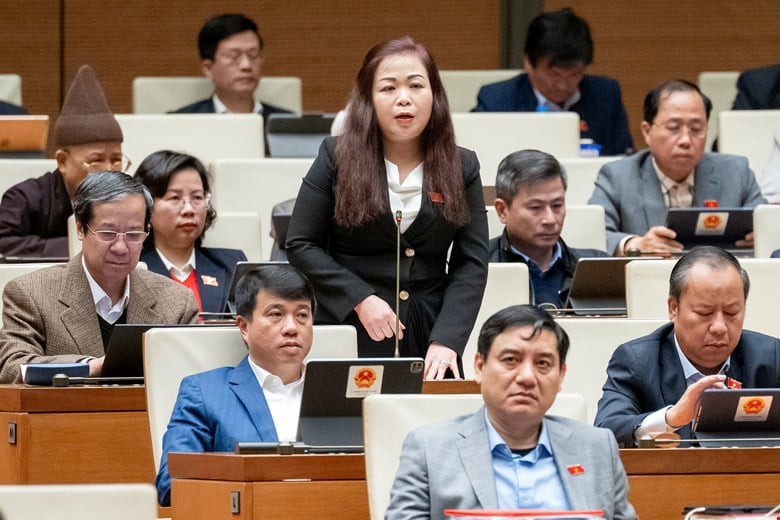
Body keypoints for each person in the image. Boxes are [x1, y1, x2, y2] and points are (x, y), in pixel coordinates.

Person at [285, 36, 489, 379]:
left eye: (416, 85)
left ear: (435, 96)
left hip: (431, 334)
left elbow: (472, 263)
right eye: (388, 88)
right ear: (368, 100)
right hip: (348, 325)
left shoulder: (462, 165)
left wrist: (448, 339)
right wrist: (360, 299)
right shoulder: (335, 156)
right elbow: (301, 243)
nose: (403, 98)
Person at [385, 304, 637, 519]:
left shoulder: (597, 447)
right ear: (480, 367)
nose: (527, 377)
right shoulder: (430, 450)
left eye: (543, 364)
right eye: (510, 360)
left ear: (560, 376)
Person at [0, 171, 199, 383]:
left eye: (133, 235)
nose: (121, 247)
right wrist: (90, 367)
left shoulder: (178, 302)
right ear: (80, 228)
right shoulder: (30, 293)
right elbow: (12, 368)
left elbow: (197, 372)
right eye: (108, 233)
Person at [155, 263, 315, 506]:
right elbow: (172, 484)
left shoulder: (339, 392)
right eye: (276, 314)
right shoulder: (204, 392)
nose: (292, 328)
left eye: (302, 315)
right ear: (243, 327)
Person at [594, 246, 780, 448]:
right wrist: (670, 418)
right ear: (674, 308)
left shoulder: (771, 356)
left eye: (732, 312)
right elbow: (606, 432)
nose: (719, 327)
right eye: (704, 312)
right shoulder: (638, 362)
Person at [588, 80, 766, 256]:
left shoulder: (736, 172)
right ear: (647, 131)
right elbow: (593, 234)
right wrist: (634, 244)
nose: (685, 141)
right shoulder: (617, 176)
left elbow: (769, 223)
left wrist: (762, 236)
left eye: (696, 129)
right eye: (673, 128)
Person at [0, 64, 126, 257]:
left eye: (116, 160)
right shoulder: (25, 198)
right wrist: (81, 245)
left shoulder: (130, 201)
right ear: (62, 161)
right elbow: (5, 243)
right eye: (96, 160)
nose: (110, 170)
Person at [472, 8, 633, 156]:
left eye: (574, 75)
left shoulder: (606, 95)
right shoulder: (496, 102)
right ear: (529, 63)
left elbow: (623, 161)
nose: (563, 85)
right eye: (554, 74)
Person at [490, 149, 607, 308]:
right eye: (536, 208)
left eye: (557, 205)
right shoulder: (478, 268)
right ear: (502, 210)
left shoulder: (598, 268)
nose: (550, 219)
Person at [133, 150, 247, 313]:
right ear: (146, 206)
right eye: (175, 198)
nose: (189, 209)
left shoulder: (233, 264)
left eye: (197, 198)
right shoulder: (133, 269)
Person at [171, 13, 292, 127]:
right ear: (208, 68)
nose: (246, 65)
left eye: (253, 55)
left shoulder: (287, 123)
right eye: (234, 57)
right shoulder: (180, 122)